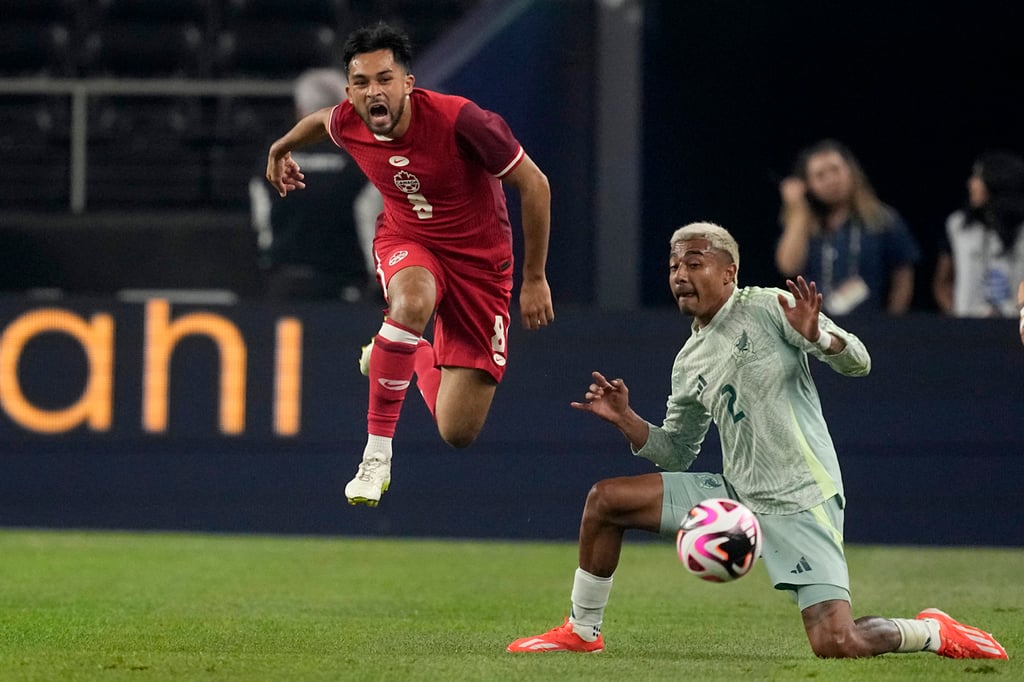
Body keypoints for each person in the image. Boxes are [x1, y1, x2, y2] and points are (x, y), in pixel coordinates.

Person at [507, 222, 1007, 660]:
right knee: (606, 500)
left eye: (695, 262)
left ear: (729, 272)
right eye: (674, 264)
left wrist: (818, 337)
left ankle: (932, 632)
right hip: (736, 496)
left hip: (800, 498)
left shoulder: (773, 307)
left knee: (837, 643)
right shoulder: (689, 360)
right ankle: (582, 630)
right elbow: (678, 452)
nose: (680, 274)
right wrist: (627, 419)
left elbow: (859, 359)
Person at [265, 23, 553, 506]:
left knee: (456, 430)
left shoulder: (463, 120)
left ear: (408, 84)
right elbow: (318, 121)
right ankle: (376, 455)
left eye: (384, 79)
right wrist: (281, 148)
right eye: (360, 83)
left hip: (481, 267)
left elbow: (536, 185)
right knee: (413, 298)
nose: (373, 91)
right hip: (408, 240)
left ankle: (406, 353)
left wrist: (534, 277)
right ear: (350, 91)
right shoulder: (349, 119)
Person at [250, 68, 380, 302]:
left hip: (285, 284)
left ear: (300, 109)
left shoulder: (275, 154)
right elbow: (369, 221)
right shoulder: (363, 157)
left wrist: (269, 263)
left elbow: (262, 220)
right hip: (346, 287)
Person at [775, 139, 920, 316]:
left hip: (872, 325)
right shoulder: (804, 224)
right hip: (816, 327)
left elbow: (903, 277)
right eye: (820, 175)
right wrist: (797, 210)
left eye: (836, 170)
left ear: (851, 171)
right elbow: (789, 267)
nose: (831, 180)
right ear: (808, 184)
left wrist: (895, 322)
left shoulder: (882, 219)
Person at [933, 151, 1024, 318]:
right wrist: (957, 316)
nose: (971, 184)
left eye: (978, 178)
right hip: (968, 329)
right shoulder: (958, 226)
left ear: (998, 181)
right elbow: (942, 282)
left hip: (1014, 328)